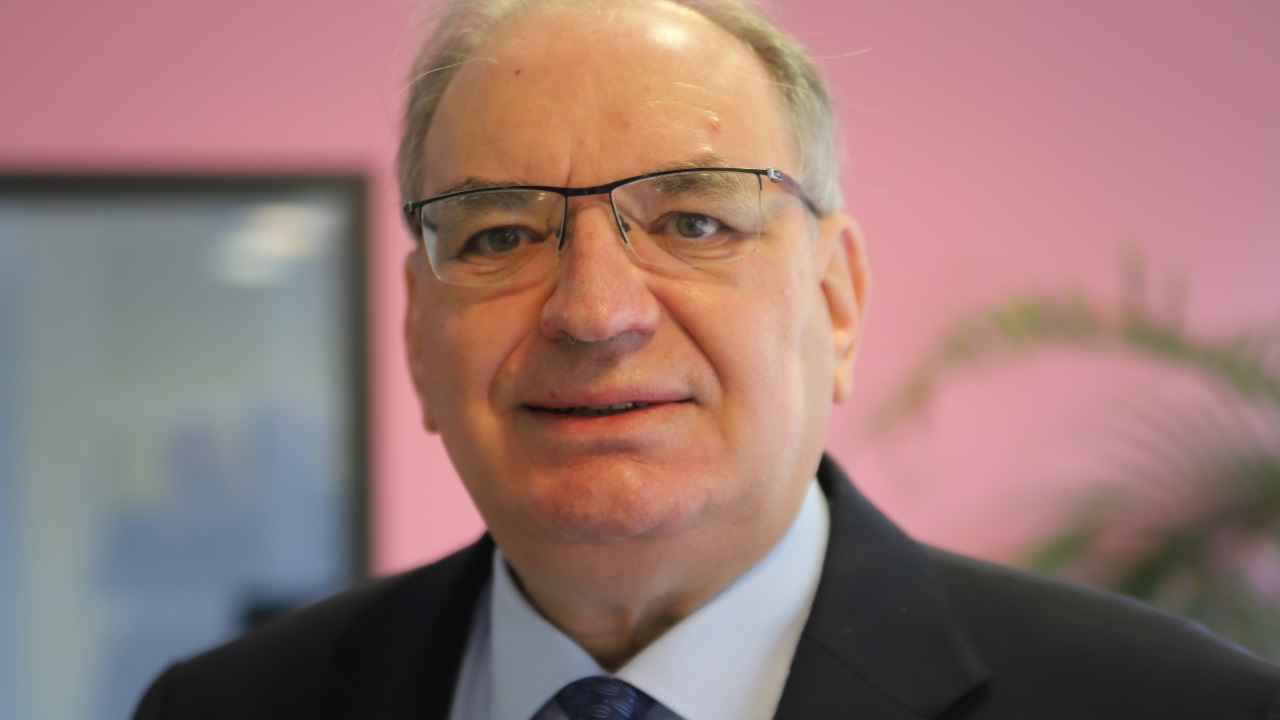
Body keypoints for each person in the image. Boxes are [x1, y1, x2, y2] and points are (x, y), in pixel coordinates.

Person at [133, 0, 1280, 718]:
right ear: (416, 331)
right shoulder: (222, 708)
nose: (593, 312)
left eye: (693, 222)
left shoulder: (1181, 708)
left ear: (835, 300)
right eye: (499, 235)